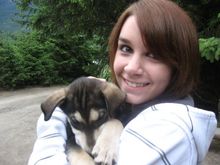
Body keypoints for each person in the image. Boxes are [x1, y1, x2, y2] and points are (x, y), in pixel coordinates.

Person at [28, 0, 217, 164]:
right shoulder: (134, 106)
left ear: (179, 63)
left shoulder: (168, 135)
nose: (131, 68)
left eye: (153, 54)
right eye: (125, 48)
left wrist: (51, 124)